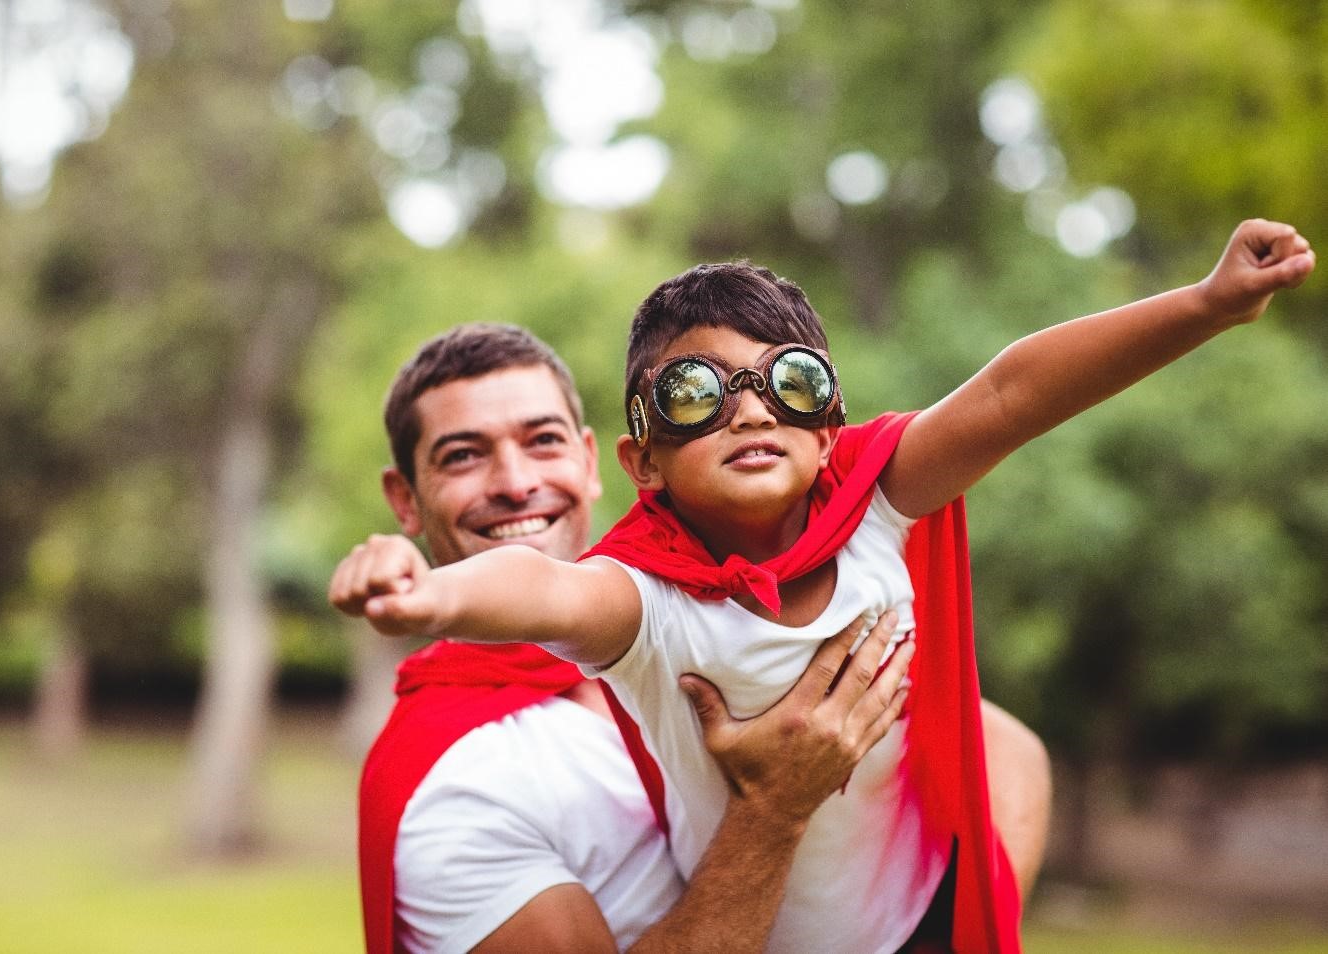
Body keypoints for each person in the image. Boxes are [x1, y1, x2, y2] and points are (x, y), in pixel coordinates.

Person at [351, 219, 1314, 953]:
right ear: (646, 463)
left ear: (828, 435)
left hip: (925, 911)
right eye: (697, 393)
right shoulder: (640, 608)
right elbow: (544, 591)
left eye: (792, 383)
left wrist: (1206, 303)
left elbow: (1012, 393)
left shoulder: (877, 504)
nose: (751, 409)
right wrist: (427, 598)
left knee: (1006, 745)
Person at [333, 324, 1051, 952]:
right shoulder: (454, 784)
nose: (517, 482)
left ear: (590, 461)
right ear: (404, 498)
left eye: (542, 441)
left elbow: (1004, 751)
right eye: (463, 456)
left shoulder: (695, 624)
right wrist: (773, 810)